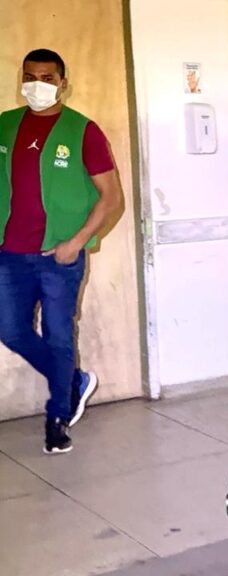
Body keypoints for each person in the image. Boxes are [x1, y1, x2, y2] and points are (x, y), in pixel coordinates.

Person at [0, 49, 124, 454]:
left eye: (47, 78)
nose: (37, 85)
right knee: (11, 329)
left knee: (58, 335)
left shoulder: (83, 131)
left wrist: (77, 241)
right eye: (30, 77)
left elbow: (111, 197)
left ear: (63, 84)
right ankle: (73, 381)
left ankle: (57, 417)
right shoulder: (4, 125)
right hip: (9, 254)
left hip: (60, 256)